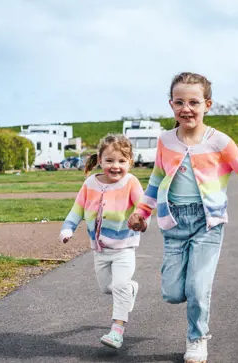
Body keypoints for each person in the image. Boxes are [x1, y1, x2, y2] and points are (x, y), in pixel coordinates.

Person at [128, 72, 238, 363]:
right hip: (174, 223)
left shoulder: (219, 141)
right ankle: (187, 290)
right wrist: (142, 212)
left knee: (197, 287)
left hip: (208, 223)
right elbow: (156, 179)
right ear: (171, 104)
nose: (186, 108)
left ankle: (197, 337)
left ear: (208, 104)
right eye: (179, 102)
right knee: (172, 293)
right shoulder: (165, 141)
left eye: (194, 102)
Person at [60, 133, 147, 349]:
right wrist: (68, 228)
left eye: (121, 161)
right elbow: (77, 209)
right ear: (100, 160)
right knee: (107, 288)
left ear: (130, 162)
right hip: (100, 249)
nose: (115, 166)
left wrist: (141, 221)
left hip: (124, 247)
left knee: (119, 286)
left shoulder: (131, 182)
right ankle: (131, 289)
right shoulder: (90, 183)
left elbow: (143, 207)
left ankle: (117, 330)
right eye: (109, 160)